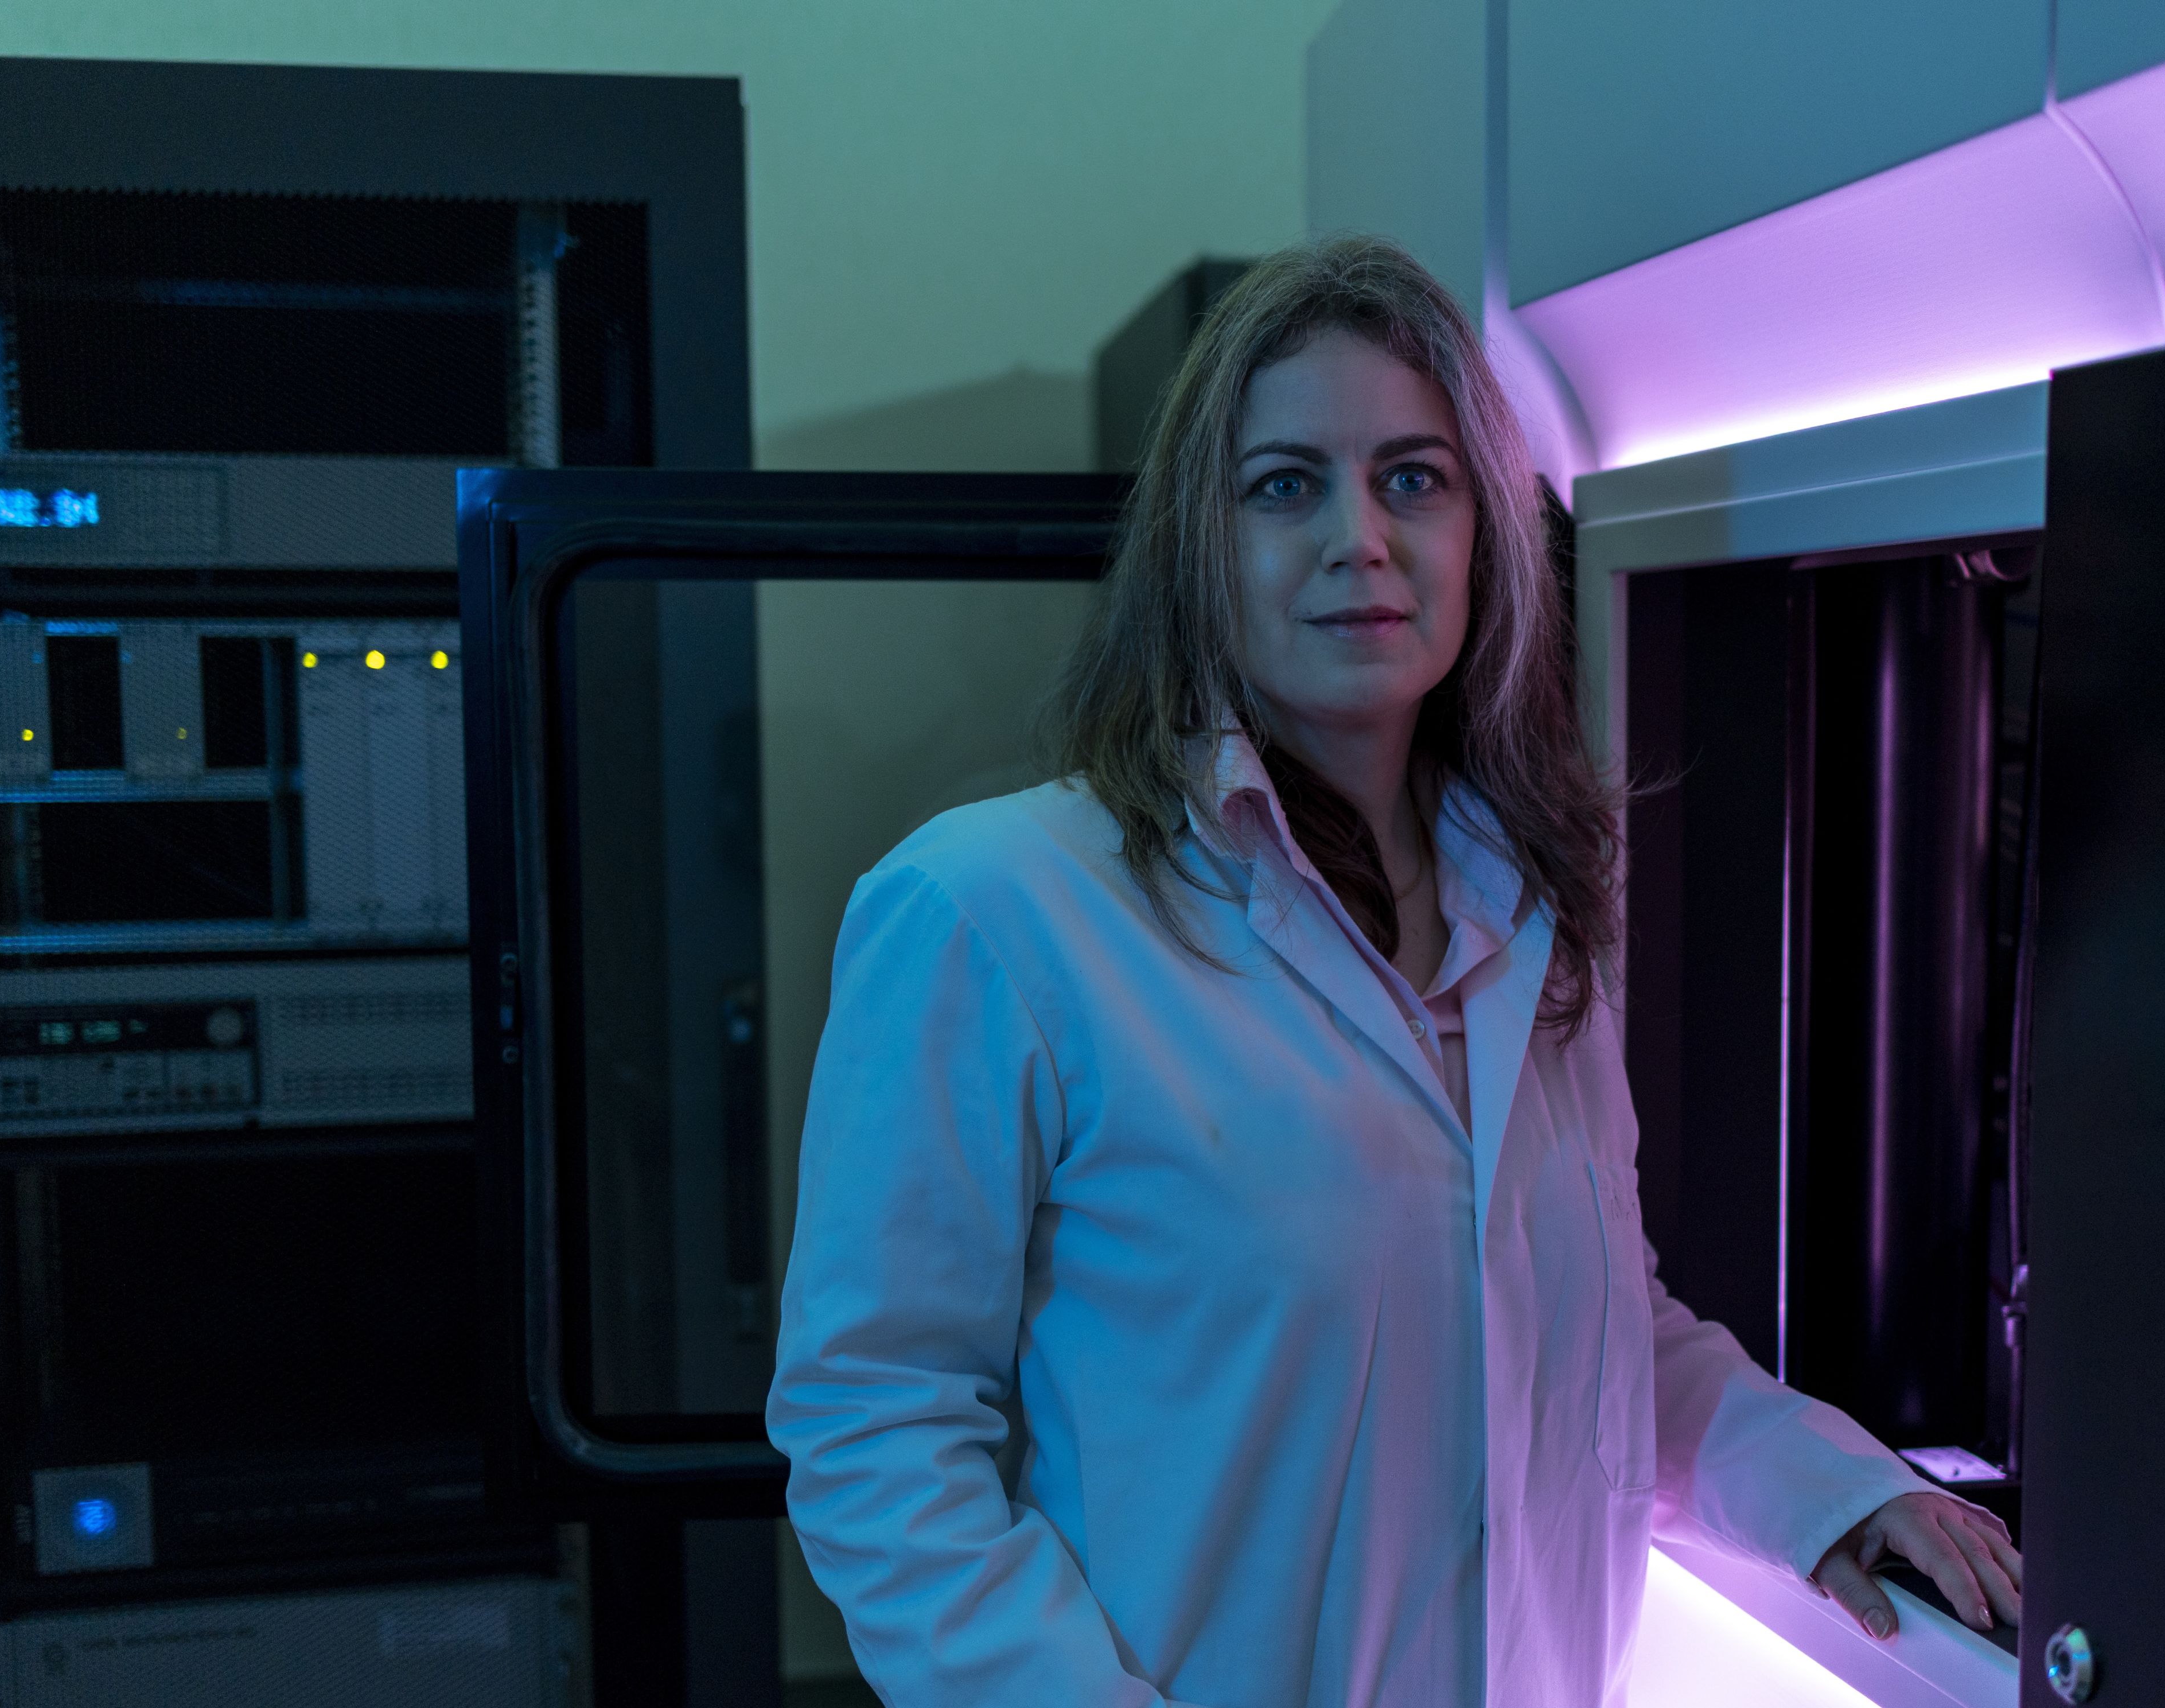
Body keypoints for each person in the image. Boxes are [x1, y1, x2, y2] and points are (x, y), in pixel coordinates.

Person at [765, 236, 2020, 1706]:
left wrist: (1829, 1490)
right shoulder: (992, 911)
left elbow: (1597, 1340)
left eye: (1411, 479)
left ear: (1480, 529)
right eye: (1284, 484)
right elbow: (877, 1428)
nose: (1358, 537)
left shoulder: (1540, 911)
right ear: (1197, 544)